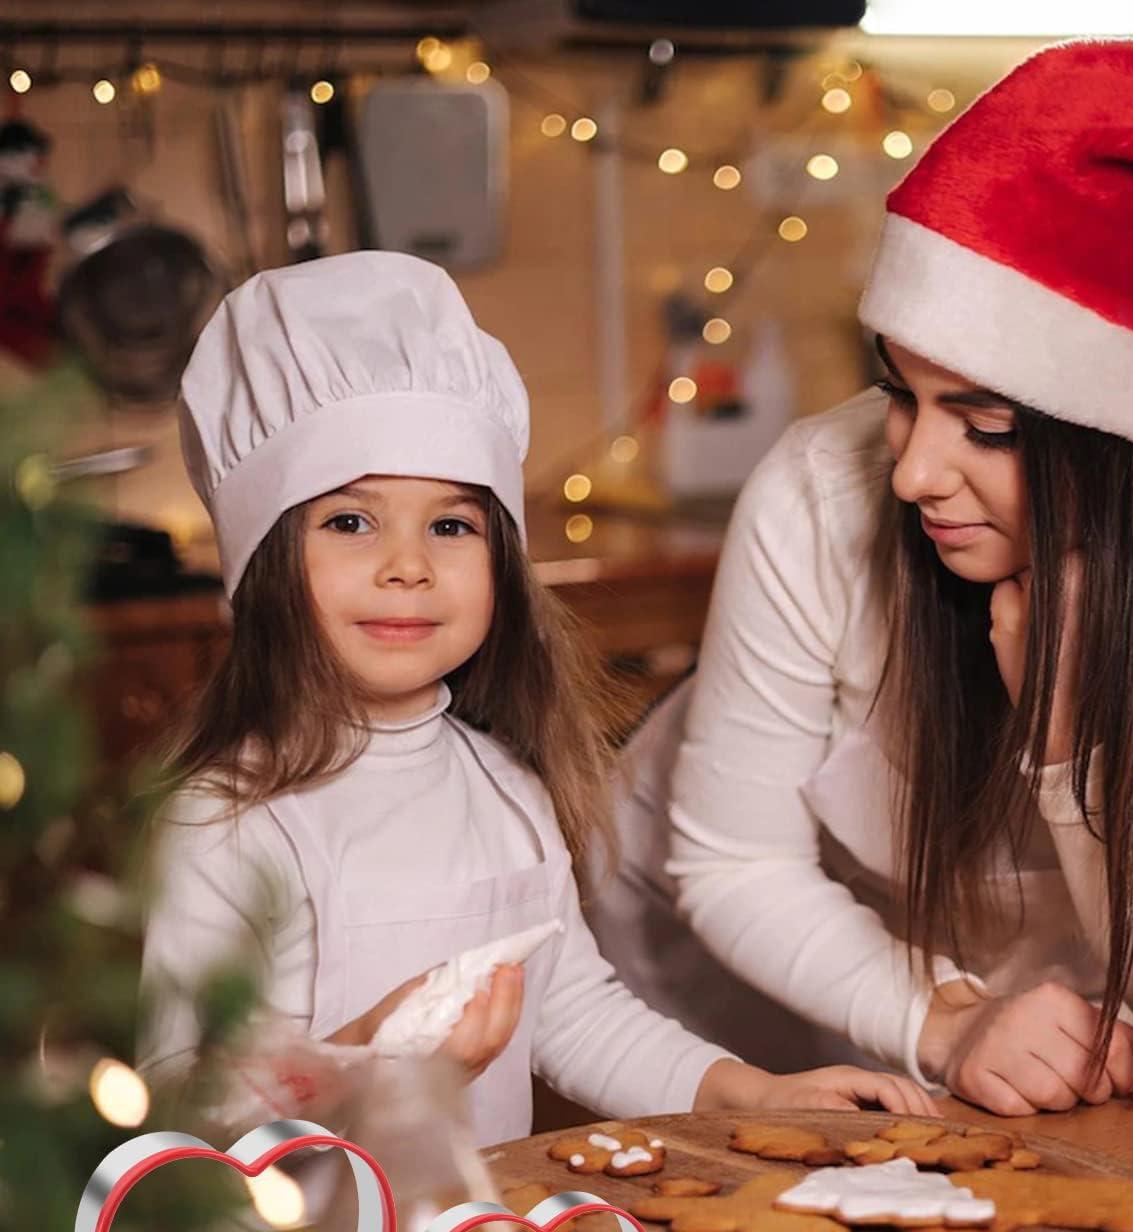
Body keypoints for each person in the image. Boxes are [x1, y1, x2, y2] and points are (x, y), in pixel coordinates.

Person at [585, 39, 1133, 1118]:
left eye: (985, 426)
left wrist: (1070, 742)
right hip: (734, 975)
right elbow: (733, 860)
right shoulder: (815, 492)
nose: (914, 471)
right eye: (901, 393)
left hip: (1052, 1020)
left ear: (1125, 442)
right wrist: (946, 1022)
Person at [136, 251, 933, 1147]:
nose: (409, 565)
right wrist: (364, 1057)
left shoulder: (505, 787)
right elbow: (183, 1094)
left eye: (451, 525)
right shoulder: (229, 821)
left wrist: (748, 1095)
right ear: (267, 561)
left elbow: (569, 1013)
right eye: (350, 522)